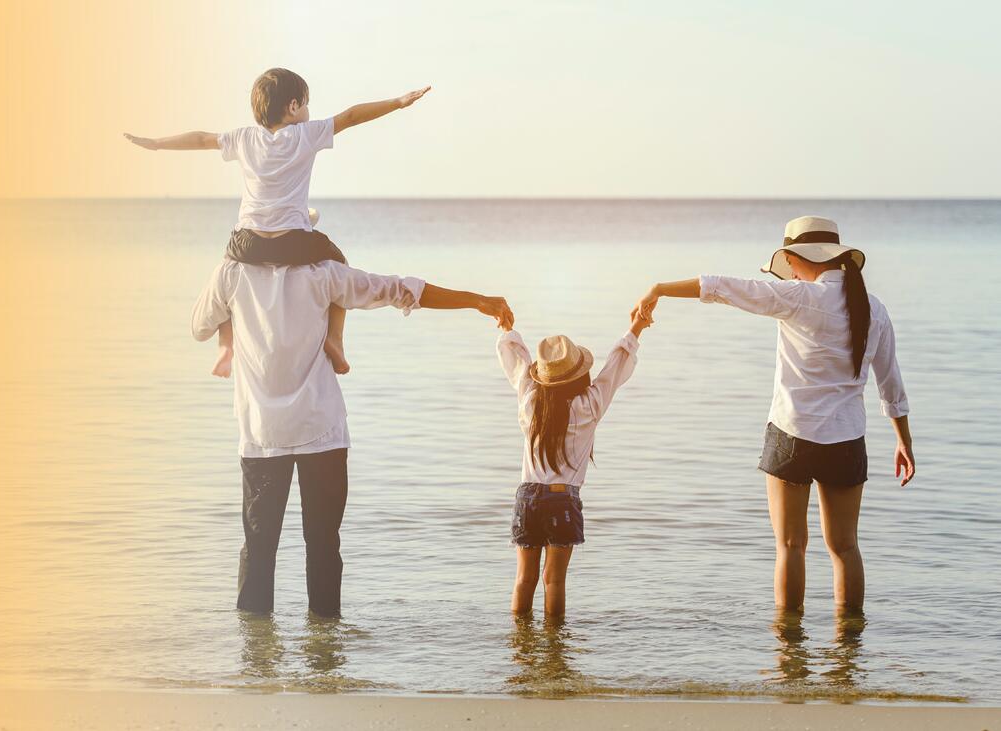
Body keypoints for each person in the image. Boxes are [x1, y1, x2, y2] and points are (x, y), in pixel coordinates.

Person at [192, 256, 513, 617]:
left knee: (259, 547)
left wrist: (232, 317)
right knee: (324, 546)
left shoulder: (232, 272)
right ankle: (326, 659)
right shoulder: (325, 273)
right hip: (322, 429)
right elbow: (399, 289)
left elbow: (199, 326)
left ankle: (256, 664)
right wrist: (475, 300)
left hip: (263, 432)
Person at [635, 215, 915, 611]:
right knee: (845, 547)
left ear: (799, 259)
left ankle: (789, 653)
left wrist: (659, 289)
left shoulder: (796, 298)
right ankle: (849, 657)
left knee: (790, 546)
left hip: (792, 435)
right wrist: (903, 440)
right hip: (846, 440)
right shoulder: (874, 309)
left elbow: (724, 288)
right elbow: (891, 383)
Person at [127, 67, 432, 377]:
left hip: (248, 243)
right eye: (307, 103)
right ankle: (335, 340)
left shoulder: (244, 138)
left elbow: (202, 139)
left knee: (228, 272)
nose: (309, 111)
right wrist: (398, 101)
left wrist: (156, 143)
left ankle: (225, 346)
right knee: (339, 261)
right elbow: (351, 116)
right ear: (293, 106)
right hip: (293, 242)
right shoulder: (305, 134)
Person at [495, 307, 653, 617]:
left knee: (524, 579)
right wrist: (636, 327)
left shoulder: (530, 402)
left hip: (527, 496)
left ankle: (521, 650)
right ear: (579, 375)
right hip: (561, 498)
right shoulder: (589, 406)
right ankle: (556, 655)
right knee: (553, 581)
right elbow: (614, 369)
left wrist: (507, 330)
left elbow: (517, 365)